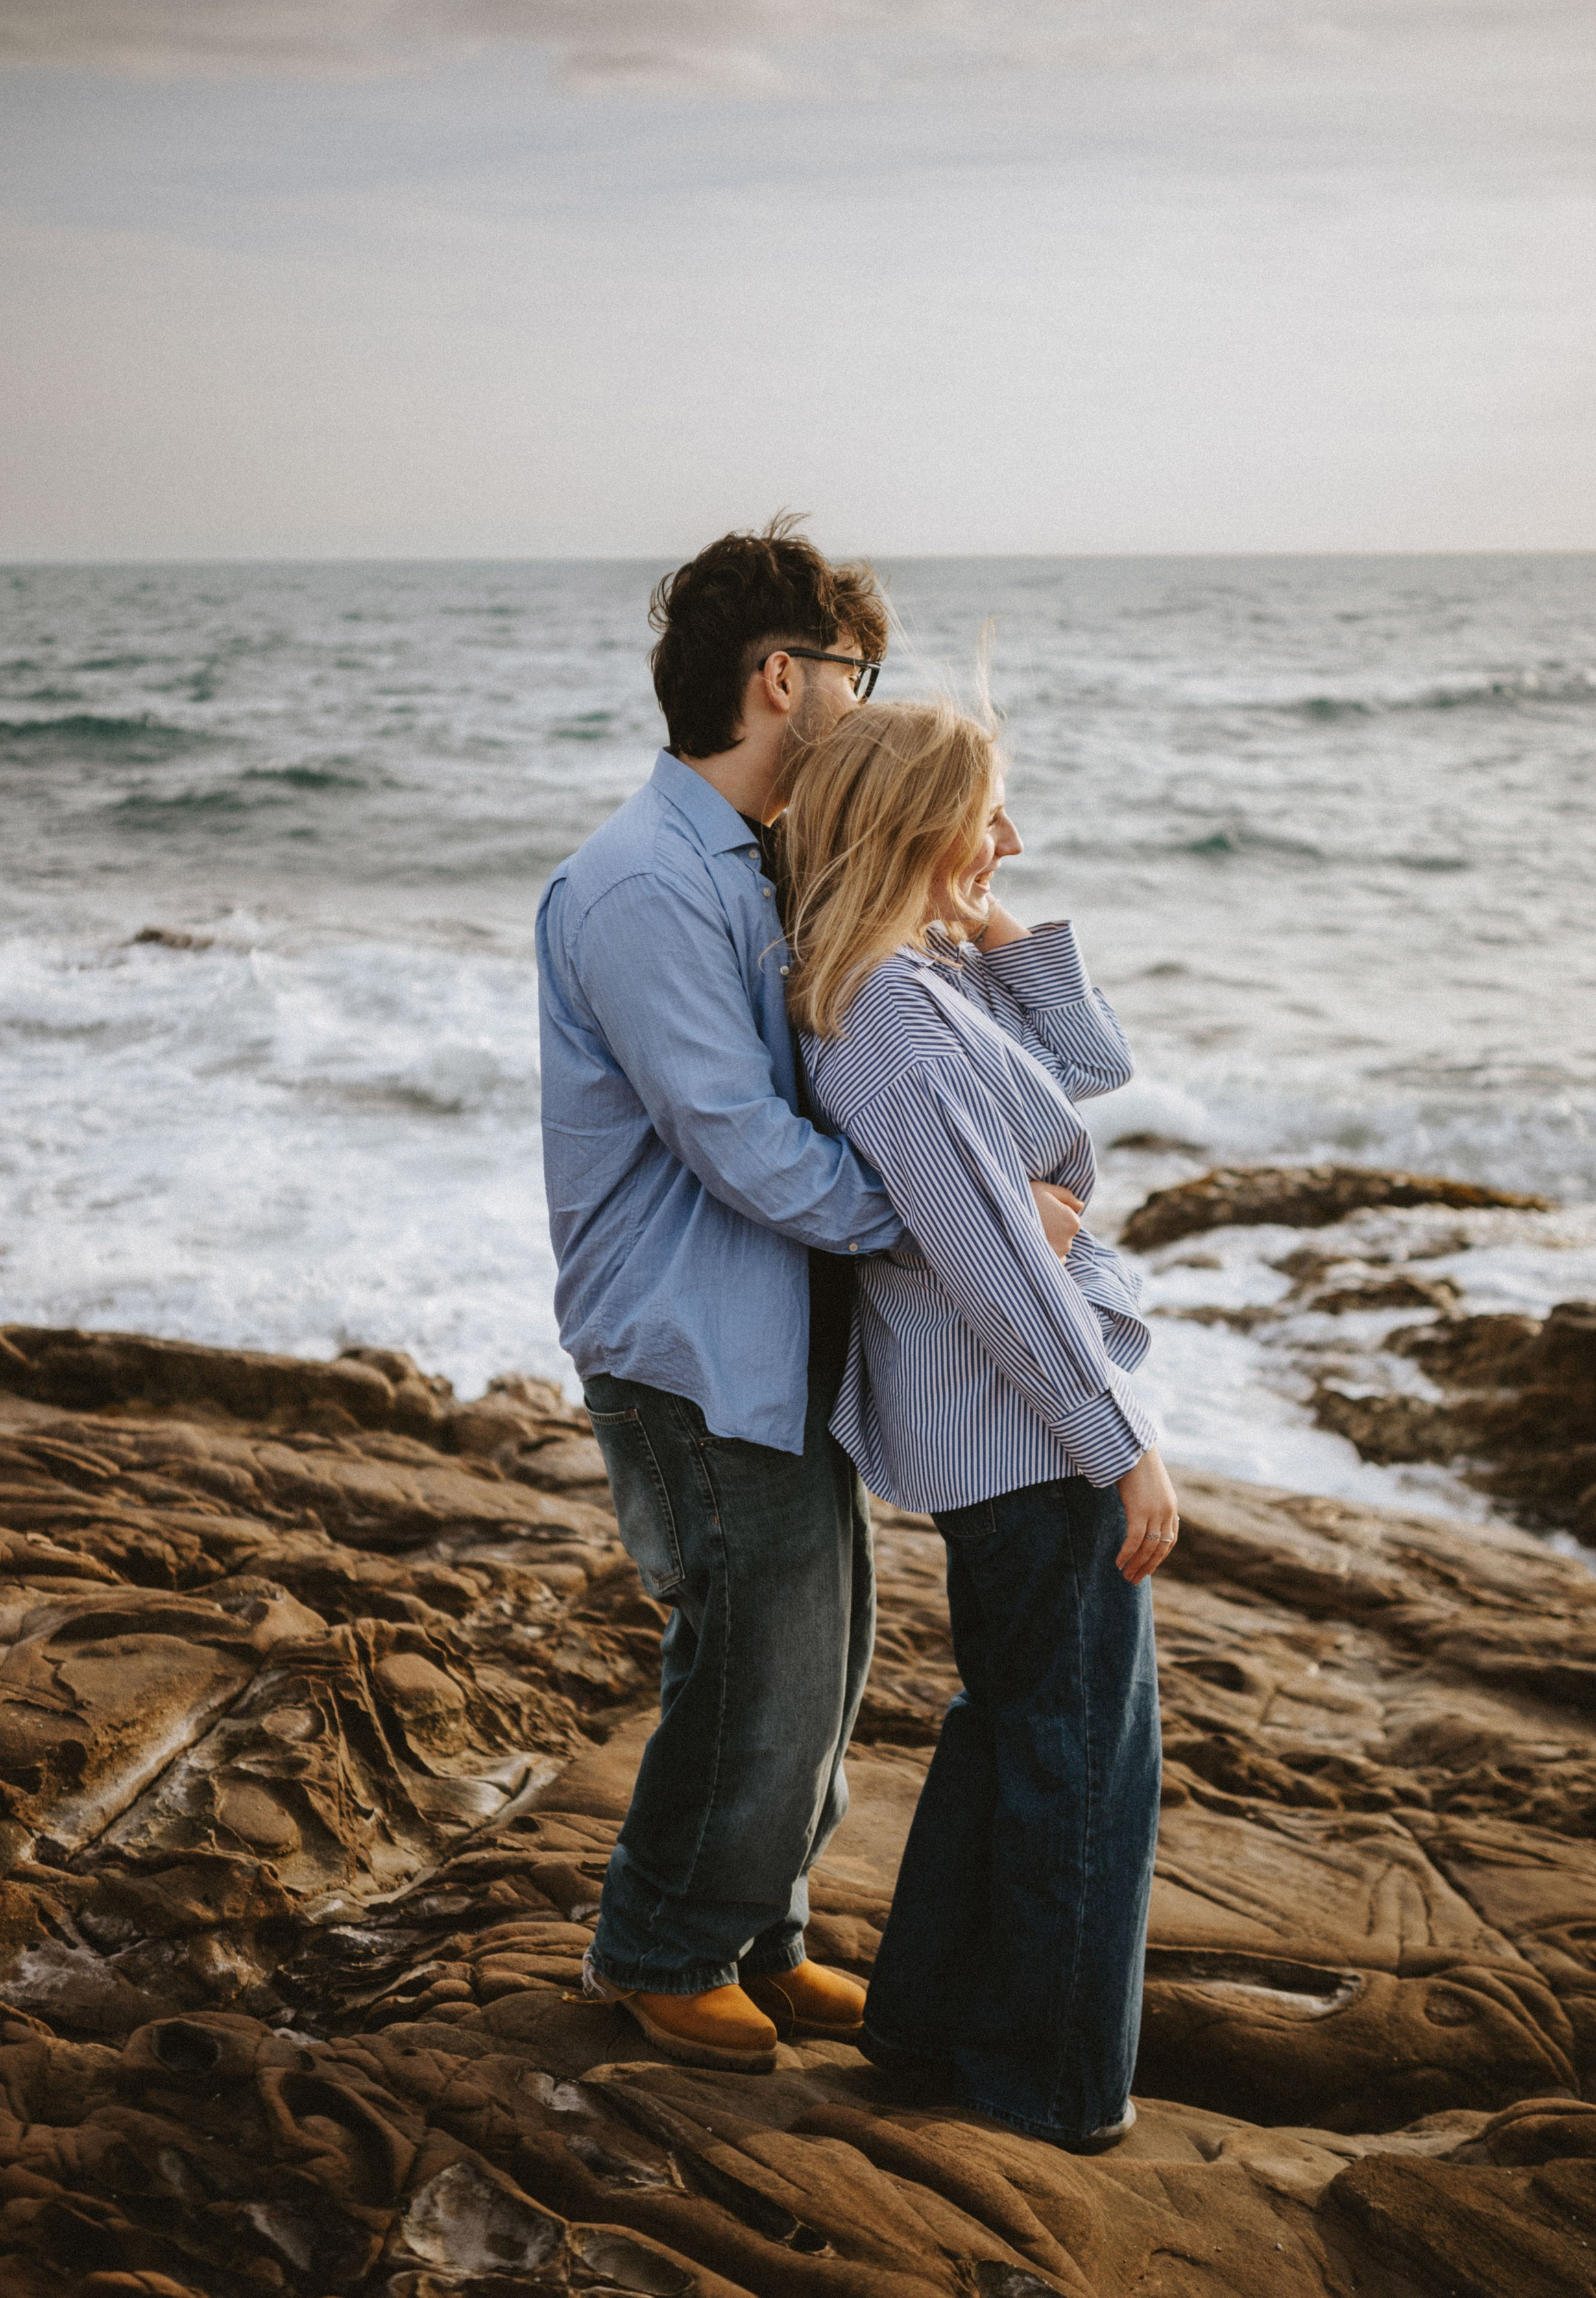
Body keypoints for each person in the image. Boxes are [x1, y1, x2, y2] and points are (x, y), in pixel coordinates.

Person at [535, 520, 1086, 2074]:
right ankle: (660, 1946)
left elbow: (915, 1052)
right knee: (757, 1656)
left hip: (780, 1330)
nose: (867, 701)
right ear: (782, 678)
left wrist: (981, 921)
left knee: (820, 1646)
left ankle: (755, 1931)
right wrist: (959, 1220)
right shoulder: (639, 883)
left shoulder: (766, 862)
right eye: (858, 673)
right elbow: (738, 1142)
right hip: (691, 1337)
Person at [786, 695, 1181, 2153]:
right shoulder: (890, 1015)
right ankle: (1043, 2084)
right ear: (910, 828)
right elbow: (999, 1266)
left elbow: (1090, 1060)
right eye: (984, 813)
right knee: (1085, 1755)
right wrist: (1120, 1443)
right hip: (1024, 1431)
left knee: (1011, 1722)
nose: (1007, 836)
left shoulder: (920, 969)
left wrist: (982, 904)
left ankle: (928, 2025)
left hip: (1001, 1429)